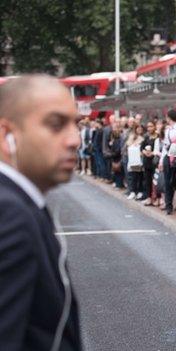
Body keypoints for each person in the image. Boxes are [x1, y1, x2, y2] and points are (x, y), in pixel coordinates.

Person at [0, 75, 82, 350]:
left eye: (76, 125)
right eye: (56, 125)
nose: (74, 140)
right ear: (6, 135)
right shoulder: (10, 214)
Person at [140, 120, 159, 206]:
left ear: (155, 127)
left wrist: (152, 153)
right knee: (147, 180)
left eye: (151, 126)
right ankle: (148, 197)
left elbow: (159, 149)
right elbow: (141, 148)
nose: (149, 128)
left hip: (155, 162)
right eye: (148, 126)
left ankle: (156, 198)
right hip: (147, 162)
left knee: (155, 181)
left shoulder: (158, 137)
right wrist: (144, 152)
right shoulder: (146, 137)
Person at [125, 123, 145, 200]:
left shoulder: (143, 137)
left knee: (140, 176)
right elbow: (128, 145)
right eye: (138, 128)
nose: (139, 130)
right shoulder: (132, 137)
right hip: (132, 159)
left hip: (140, 160)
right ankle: (133, 191)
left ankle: (140, 191)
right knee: (133, 176)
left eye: (141, 128)